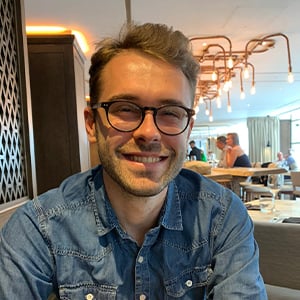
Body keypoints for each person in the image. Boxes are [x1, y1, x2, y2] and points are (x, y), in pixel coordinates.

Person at [0, 23, 266, 299]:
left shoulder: (221, 217)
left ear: (188, 129)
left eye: (171, 113)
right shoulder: (38, 228)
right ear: (91, 125)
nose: (149, 133)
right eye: (126, 109)